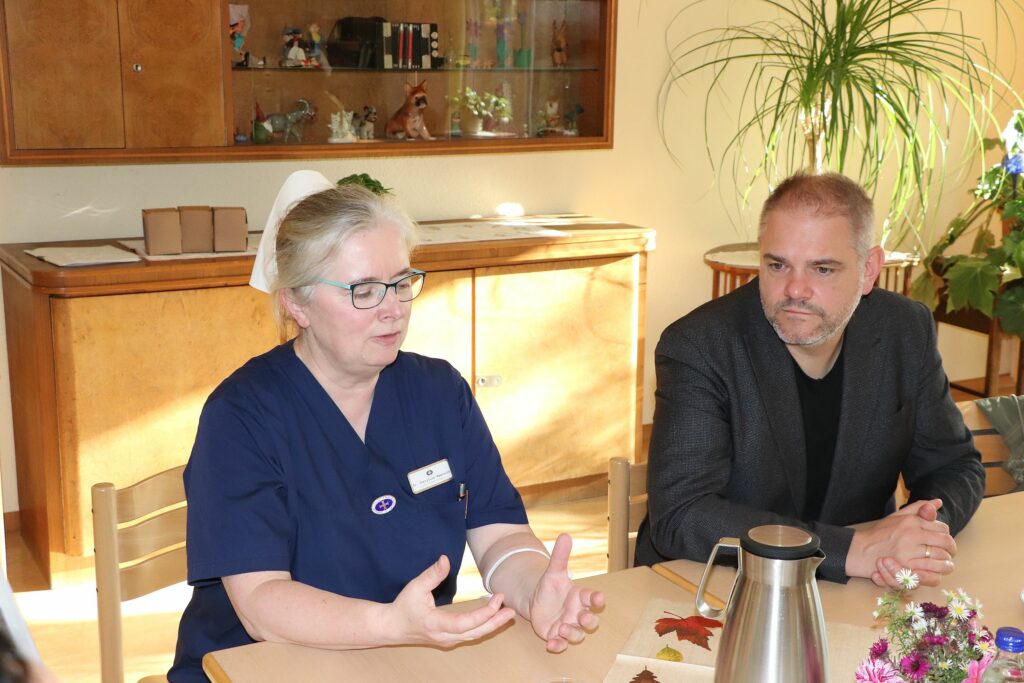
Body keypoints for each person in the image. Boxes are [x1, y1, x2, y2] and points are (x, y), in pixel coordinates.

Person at [168, 176, 603, 682]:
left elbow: (498, 531)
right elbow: (261, 603)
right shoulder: (242, 415)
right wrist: (391, 623)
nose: (393, 308)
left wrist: (533, 590)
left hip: (409, 660)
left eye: (401, 283)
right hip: (259, 666)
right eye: (364, 290)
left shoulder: (439, 392)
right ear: (296, 303)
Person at [634, 172, 986, 588]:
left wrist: (921, 528)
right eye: (777, 264)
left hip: (861, 587)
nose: (795, 289)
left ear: (869, 269)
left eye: (822, 268)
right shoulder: (700, 346)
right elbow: (683, 515)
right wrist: (852, 549)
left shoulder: (903, 330)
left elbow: (954, 465)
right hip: (713, 585)